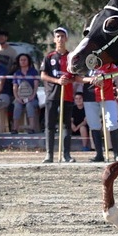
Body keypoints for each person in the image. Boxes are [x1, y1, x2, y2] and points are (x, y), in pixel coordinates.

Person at [38, 27, 78, 163]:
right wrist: (57, 81)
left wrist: (68, 80)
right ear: (54, 39)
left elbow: (75, 77)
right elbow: (43, 75)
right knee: (50, 125)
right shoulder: (49, 57)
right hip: (52, 95)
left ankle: (66, 154)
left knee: (66, 124)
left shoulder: (71, 56)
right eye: (58, 36)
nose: (60, 39)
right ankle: (49, 154)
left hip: (67, 95)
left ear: (66, 38)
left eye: (62, 36)